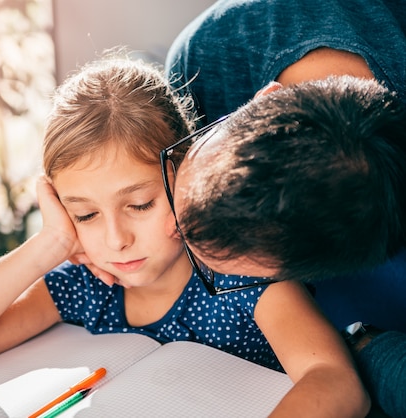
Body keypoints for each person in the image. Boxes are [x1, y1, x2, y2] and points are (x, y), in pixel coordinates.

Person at [0, 55, 369, 416]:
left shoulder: (240, 274)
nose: (115, 238)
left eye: (139, 205)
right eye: (84, 214)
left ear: (187, 175)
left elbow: (335, 379)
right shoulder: (83, 285)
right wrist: (50, 245)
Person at [164, 1, 406, 416]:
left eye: (233, 272)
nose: (166, 228)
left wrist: (366, 349)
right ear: (264, 97)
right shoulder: (201, 57)